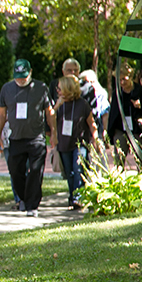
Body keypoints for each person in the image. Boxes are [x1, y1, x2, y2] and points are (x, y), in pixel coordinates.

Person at [0, 59, 57, 217]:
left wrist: (54, 133)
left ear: (30, 72)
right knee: (15, 172)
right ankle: (25, 198)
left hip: (36, 138)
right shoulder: (7, 88)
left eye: (23, 76)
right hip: (15, 138)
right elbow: (1, 114)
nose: (21, 79)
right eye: (18, 76)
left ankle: (32, 205)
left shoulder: (41, 88)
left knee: (36, 171)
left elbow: (50, 112)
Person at [52, 76, 98, 209]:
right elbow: (50, 120)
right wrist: (56, 107)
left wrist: (95, 138)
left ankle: (79, 198)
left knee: (78, 170)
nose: (58, 91)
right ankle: (72, 197)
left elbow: (91, 123)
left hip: (79, 143)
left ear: (68, 88)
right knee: (69, 172)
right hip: (64, 143)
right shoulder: (59, 105)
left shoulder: (82, 104)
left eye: (60, 89)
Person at [106, 64, 142, 167]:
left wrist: (140, 106)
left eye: (124, 79)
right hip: (121, 129)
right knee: (118, 159)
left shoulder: (140, 91)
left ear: (130, 76)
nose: (122, 82)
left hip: (137, 129)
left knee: (141, 160)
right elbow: (113, 114)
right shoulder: (117, 93)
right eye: (119, 80)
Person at [79, 69, 110, 138]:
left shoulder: (101, 95)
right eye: (87, 82)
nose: (90, 85)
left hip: (97, 128)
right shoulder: (79, 95)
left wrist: (105, 131)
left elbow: (105, 114)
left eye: (92, 82)